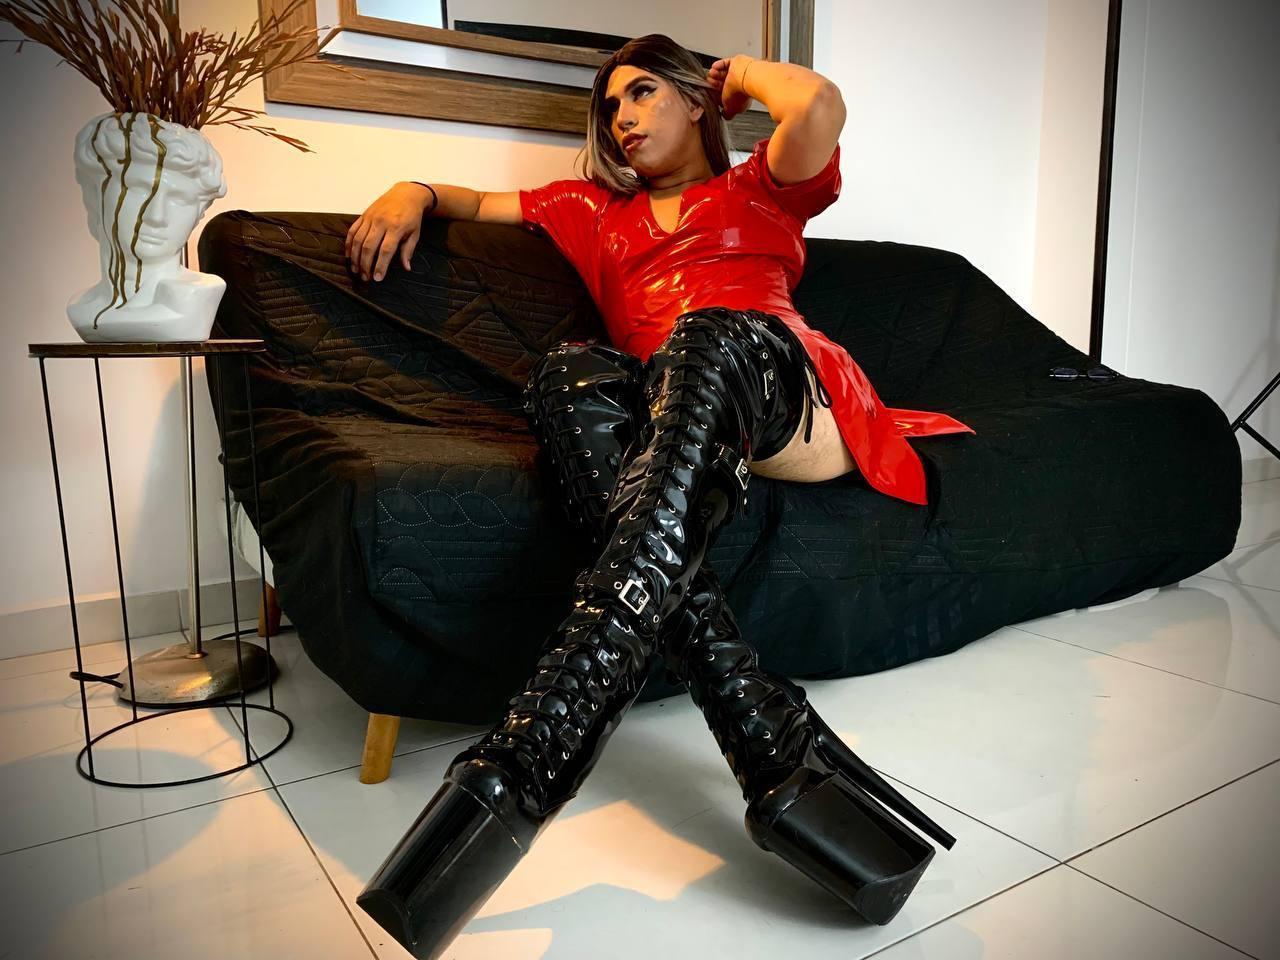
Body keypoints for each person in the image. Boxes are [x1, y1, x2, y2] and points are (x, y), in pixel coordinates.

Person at [346, 34, 971, 960]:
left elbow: (818, 105)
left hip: (790, 398)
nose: (622, 119)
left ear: (693, 101)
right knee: (568, 370)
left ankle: (535, 749)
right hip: (676, 434)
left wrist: (736, 76)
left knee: (705, 332)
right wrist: (415, 190)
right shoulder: (591, 211)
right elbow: (474, 202)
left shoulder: (762, 187)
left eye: (642, 93)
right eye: (610, 107)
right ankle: (763, 733)